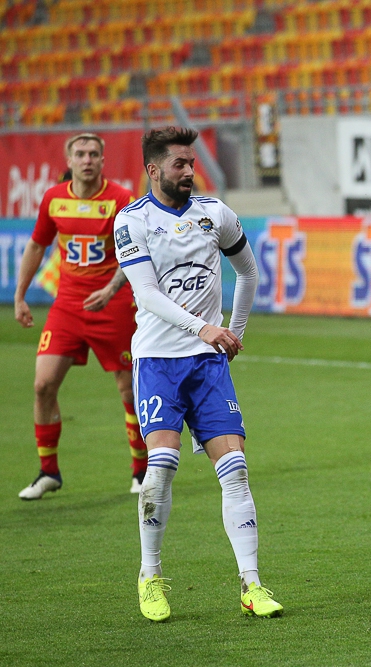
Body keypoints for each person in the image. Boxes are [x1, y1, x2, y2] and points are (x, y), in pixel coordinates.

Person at [114, 126, 281, 621]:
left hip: (208, 365)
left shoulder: (215, 214)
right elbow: (147, 295)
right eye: (180, 164)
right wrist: (204, 327)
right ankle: (149, 576)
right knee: (161, 467)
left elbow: (248, 271)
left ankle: (252, 584)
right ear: (153, 169)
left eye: (192, 163)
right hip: (158, 361)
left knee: (236, 470)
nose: (190, 171)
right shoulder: (133, 220)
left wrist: (234, 333)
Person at [14, 132, 147, 500]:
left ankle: (141, 470)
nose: (87, 160)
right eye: (81, 154)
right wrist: (20, 295)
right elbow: (37, 245)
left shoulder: (121, 200)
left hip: (115, 304)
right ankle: (48, 471)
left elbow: (137, 249)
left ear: (102, 160)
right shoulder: (54, 199)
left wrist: (111, 289)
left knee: (129, 389)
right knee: (43, 385)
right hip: (68, 305)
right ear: (69, 160)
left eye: (93, 154)